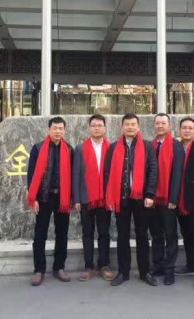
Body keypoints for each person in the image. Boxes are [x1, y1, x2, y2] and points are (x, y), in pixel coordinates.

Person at [104, 113, 158, 287]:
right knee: (122, 235)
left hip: (141, 198)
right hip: (121, 198)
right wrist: (109, 197)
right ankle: (123, 272)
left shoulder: (147, 146)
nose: (130, 127)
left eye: (133, 124)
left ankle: (145, 272)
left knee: (142, 234)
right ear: (121, 127)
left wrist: (150, 194)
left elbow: (153, 170)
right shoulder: (113, 147)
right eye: (127, 124)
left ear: (138, 126)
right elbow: (107, 173)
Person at [27, 116, 74, 286]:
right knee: (40, 234)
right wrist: (33, 198)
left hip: (62, 198)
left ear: (64, 130)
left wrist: (72, 198)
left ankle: (59, 267)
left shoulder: (69, 149)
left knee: (62, 234)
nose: (58, 131)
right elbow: (31, 174)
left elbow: (72, 175)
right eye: (55, 128)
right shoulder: (38, 148)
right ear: (49, 129)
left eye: (61, 128)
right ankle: (39, 270)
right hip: (43, 197)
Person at [72, 114, 114, 282]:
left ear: (105, 128)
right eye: (94, 125)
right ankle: (88, 266)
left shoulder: (111, 148)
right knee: (87, 233)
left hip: (104, 199)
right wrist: (76, 199)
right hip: (86, 198)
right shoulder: (80, 148)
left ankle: (104, 265)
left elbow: (114, 175)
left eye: (99, 125)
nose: (97, 128)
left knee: (104, 233)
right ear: (89, 128)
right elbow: (76, 174)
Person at [148, 113, 184, 285]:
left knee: (170, 235)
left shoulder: (176, 146)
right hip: (153, 199)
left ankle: (170, 269)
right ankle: (158, 265)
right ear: (154, 125)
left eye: (163, 123)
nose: (160, 126)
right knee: (156, 234)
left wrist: (174, 198)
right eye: (157, 123)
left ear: (169, 126)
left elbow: (178, 173)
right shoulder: (150, 145)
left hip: (168, 198)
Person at [174, 117, 194, 277]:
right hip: (179, 199)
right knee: (187, 234)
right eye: (184, 128)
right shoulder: (176, 147)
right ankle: (191, 265)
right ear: (179, 130)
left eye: (190, 128)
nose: (187, 130)